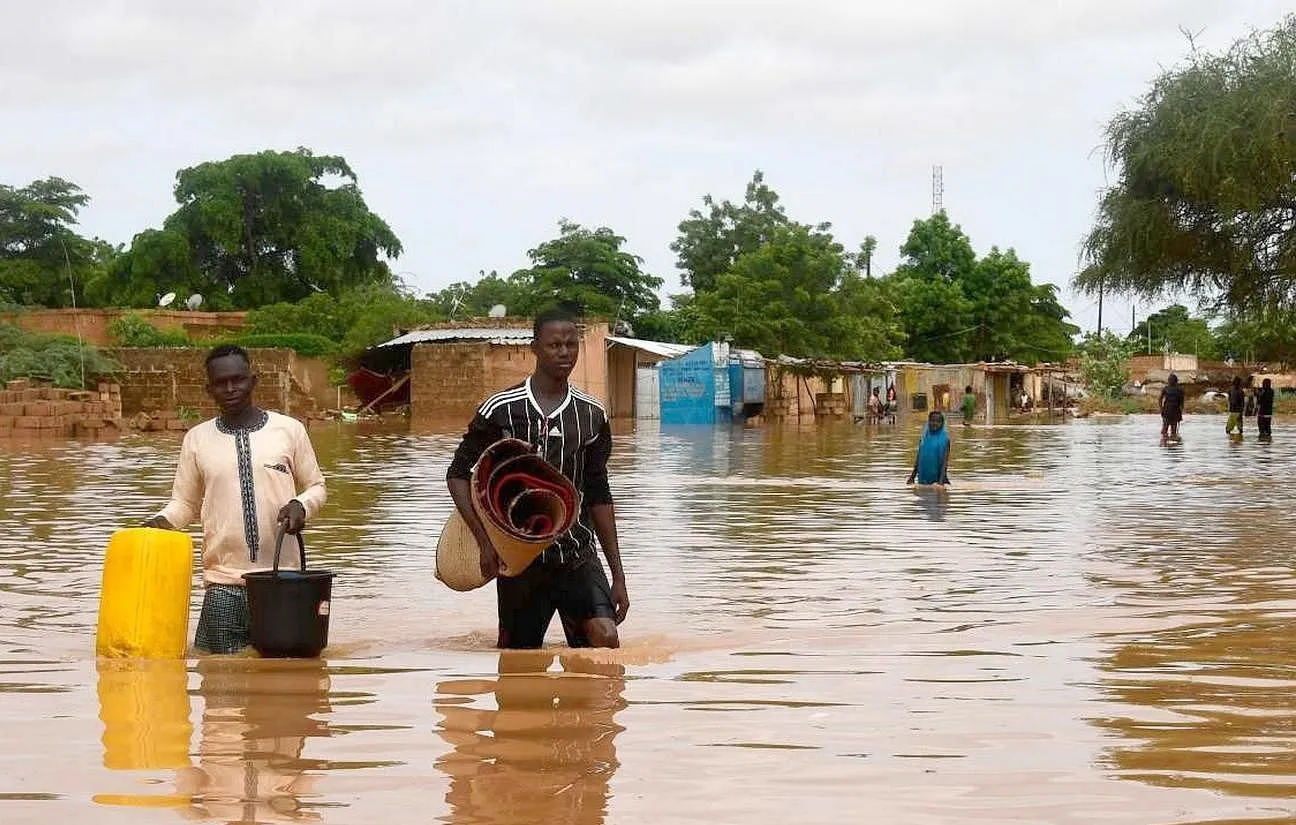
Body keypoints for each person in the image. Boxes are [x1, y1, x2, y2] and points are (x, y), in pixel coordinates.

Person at [446, 308, 630, 649]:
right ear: (534, 348)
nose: (564, 353)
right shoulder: (500, 409)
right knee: (518, 663)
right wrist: (485, 543)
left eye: (571, 345)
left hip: (577, 554)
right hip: (519, 563)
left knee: (605, 639)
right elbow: (458, 475)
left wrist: (618, 574)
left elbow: (598, 493)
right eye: (554, 345)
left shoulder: (592, 415)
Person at [144, 344, 327, 655]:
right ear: (209, 389)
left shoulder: (289, 430)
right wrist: (159, 524)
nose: (230, 388)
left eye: (238, 380)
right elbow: (184, 504)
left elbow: (317, 486)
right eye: (220, 383)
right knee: (218, 681)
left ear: (253, 381)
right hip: (223, 583)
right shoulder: (197, 439)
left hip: (283, 581)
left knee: (287, 685)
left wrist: (301, 505)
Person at [907, 411, 951, 487]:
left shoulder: (945, 439)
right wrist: (912, 477)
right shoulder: (924, 438)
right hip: (923, 478)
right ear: (928, 422)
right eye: (932, 421)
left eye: (938, 421)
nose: (935, 423)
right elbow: (918, 458)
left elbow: (944, 462)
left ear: (942, 423)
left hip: (938, 479)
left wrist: (940, 483)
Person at [1159, 373, 1184, 443]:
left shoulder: (1180, 390)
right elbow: (1160, 399)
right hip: (1167, 410)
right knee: (1165, 428)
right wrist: (1161, 409)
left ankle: (1173, 441)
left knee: (1174, 429)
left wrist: (1181, 411)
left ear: (1175, 381)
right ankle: (1164, 440)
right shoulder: (1166, 389)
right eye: (1169, 380)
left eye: (1171, 380)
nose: (1169, 381)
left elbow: (1182, 401)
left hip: (1176, 410)